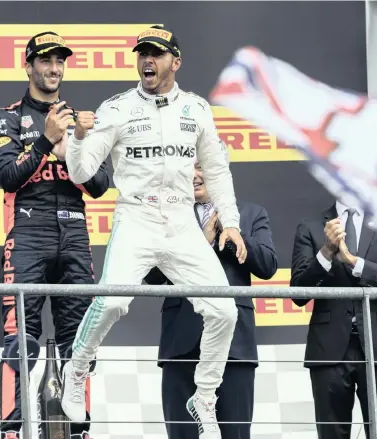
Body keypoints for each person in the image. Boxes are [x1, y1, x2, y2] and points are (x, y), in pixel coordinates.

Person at [61, 25, 247, 438]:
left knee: (224, 311)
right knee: (111, 303)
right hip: (137, 218)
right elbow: (81, 171)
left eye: (157, 54)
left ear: (175, 62)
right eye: (142, 53)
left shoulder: (197, 108)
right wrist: (77, 136)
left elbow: (216, 171)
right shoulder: (116, 108)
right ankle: (76, 369)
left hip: (181, 222)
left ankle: (203, 398)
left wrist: (230, 222)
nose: (147, 60)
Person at [0, 31, 109, 439]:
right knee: (20, 340)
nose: (54, 69)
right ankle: (12, 431)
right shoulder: (4, 117)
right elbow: (8, 176)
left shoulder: (79, 122)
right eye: (45, 61)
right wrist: (46, 140)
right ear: (29, 65)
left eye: (60, 61)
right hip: (29, 230)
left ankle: (79, 430)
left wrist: (75, 145)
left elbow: (101, 184)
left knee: (80, 342)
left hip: (74, 230)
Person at [145, 161, 278, 439]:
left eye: (201, 167)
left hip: (234, 346)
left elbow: (267, 266)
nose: (194, 175)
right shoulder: (166, 214)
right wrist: (200, 241)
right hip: (182, 343)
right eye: (187, 167)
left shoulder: (251, 213)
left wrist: (229, 236)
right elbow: (152, 275)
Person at [290, 198, 377, 439]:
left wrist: (355, 263)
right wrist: (326, 253)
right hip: (328, 349)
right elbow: (298, 293)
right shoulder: (310, 226)